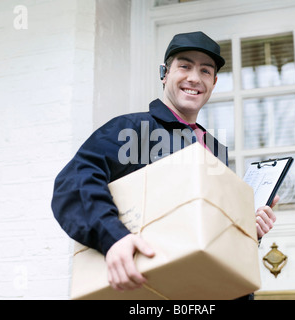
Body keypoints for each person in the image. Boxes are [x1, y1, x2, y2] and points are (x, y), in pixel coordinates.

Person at [51, 31, 277, 296]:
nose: (194, 77)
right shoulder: (134, 130)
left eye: (205, 71)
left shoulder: (214, 152)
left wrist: (250, 232)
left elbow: (210, 232)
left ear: (214, 83)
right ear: (164, 73)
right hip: (145, 289)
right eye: (184, 66)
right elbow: (74, 183)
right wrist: (113, 237)